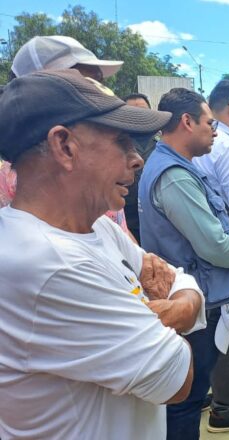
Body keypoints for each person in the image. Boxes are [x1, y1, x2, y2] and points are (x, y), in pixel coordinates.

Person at [0, 69, 202, 439]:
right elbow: (178, 378)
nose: (137, 159)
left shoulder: (97, 227)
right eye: (122, 141)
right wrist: (182, 306)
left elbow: (177, 279)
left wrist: (172, 306)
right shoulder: (48, 264)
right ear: (64, 146)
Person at [139, 88, 229, 436]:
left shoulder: (181, 167)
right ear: (187, 122)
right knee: (187, 400)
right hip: (195, 301)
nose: (215, 131)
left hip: (199, 295)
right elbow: (212, 243)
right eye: (210, 123)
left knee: (191, 394)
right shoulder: (174, 175)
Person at [11, 35, 134, 237]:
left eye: (98, 82)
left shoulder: (99, 159)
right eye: (86, 81)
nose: (99, 92)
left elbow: (121, 232)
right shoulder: (18, 182)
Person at [121, 93, 158, 239]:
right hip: (128, 226)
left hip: (158, 224)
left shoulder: (163, 143)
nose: (139, 116)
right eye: (132, 112)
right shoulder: (116, 146)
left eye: (143, 111)